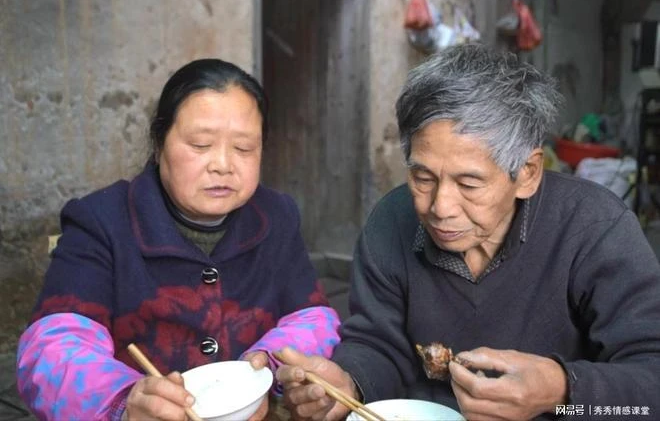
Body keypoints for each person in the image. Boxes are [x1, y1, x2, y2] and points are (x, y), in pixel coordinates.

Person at [275, 43, 660, 421]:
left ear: (527, 173)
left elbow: (651, 385)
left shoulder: (593, 227)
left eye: (470, 184)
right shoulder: (391, 220)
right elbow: (377, 343)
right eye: (423, 177)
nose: (440, 207)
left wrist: (560, 390)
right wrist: (347, 381)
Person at [16, 58, 341, 420]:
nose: (223, 164)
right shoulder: (101, 221)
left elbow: (311, 317)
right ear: (159, 144)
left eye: (244, 148)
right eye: (201, 145)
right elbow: (53, 349)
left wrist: (269, 365)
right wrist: (125, 403)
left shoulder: (276, 215)